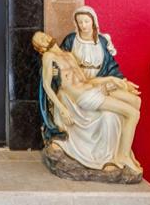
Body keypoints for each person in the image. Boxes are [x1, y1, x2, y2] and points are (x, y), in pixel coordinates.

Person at [32, 31, 143, 174]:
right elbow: (47, 86)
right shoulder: (49, 57)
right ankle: (123, 156)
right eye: (41, 39)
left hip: (92, 88)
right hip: (85, 97)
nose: (45, 37)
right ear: (40, 48)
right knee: (132, 114)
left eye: (43, 34)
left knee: (135, 100)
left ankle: (124, 150)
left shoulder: (69, 55)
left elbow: (86, 80)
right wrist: (62, 109)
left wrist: (112, 80)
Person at [61, 5, 123, 79]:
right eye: (80, 22)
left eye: (86, 21)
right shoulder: (71, 39)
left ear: (93, 21)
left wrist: (121, 80)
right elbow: (60, 58)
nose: (83, 25)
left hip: (99, 82)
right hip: (76, 83)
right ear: (76, 23)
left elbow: (111, 65)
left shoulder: (102, 41)